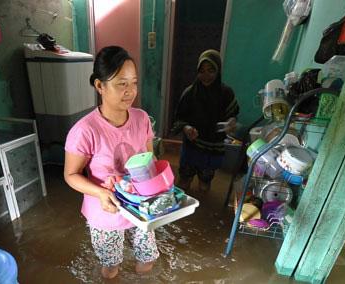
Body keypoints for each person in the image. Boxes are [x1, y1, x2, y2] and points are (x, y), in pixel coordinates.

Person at [64, 46, 159, 279]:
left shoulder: (142, 118)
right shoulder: (85, 130)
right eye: (121, 84)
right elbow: (71, 175)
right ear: (99, 85)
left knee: (147, 259)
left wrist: (161, 187)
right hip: (106, 209)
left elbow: (150, 159)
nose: (130, 91)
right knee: (110, 267)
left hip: (140, 205)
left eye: (134, 82)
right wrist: (100, 193)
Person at [173, 49, 239, 193]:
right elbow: (179, 118)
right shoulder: (190, 93)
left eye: (211, 70)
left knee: (204, 185)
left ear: (218, 70)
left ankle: (201, 209)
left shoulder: (226, 93)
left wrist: (231, 122)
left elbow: (233, 115)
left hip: (213, 148)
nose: (206, 76)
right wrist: (186, 128)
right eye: (201, 71)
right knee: (184, 182)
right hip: (192, 145)